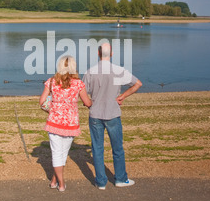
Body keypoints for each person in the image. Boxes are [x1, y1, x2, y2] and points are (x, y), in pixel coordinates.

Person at [83, 43, 142, 190]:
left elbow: (82, 91)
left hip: (95, 114)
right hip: (113, 114)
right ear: (112, 54)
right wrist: (122, 96)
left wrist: (89, 103)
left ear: (98, 53)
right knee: (117, 149)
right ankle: (121, 179)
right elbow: (137, 84)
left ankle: (101, 182)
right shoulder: (118, 71)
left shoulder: (90, 71)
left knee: (97, 149)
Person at [39, 55, 92, 192]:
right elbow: (87, 102)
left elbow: (42, 102)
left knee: (57, 153)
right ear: (74, 67)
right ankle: (61, 183)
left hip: (54, 122)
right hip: (71, 123)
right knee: (62, 153)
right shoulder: (78, 84)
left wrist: (53, 110)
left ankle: (54, 181)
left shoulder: (51, 82)